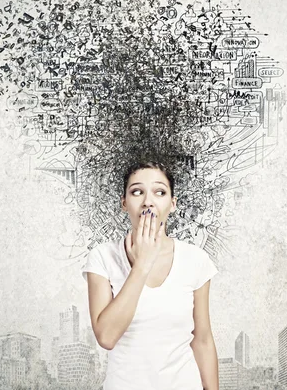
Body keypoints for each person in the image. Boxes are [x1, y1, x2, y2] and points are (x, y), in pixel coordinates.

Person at [81, 160, 219, 390]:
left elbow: (203, 339)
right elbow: (106, 336)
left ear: (172, 203)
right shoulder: (102, 257)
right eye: (137, 192)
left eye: (159, 192)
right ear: (124, 203)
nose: (148, 202)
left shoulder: (196, 260)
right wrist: (142, 264)